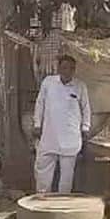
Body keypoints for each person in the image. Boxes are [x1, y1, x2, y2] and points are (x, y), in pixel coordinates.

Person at [34, 55, 91, 193]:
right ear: (58, 68)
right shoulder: (48, 82)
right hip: (49, 135)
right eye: (64, 68)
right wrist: (37, 124)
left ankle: (63, 203)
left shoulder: (80, 86)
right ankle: (42, 200)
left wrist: (86, 127)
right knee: (43, 171)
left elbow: (86, 108)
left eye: (71, 68)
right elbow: (40, 103)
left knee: (67, 176)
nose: (68, 71)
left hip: (70, 137)